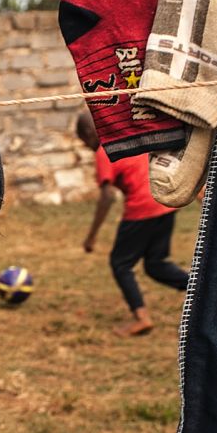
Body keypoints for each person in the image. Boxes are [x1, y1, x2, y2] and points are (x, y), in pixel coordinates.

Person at [77, 111, 189, 336]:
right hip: (164, 204)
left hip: (142, 209)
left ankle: (142, 318)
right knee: (156, 264)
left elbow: (107, 196)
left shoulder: (104, 151)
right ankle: (202, 288)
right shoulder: (127, 138)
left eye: (84, 140)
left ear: (91, 133)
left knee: (120, 263)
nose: (87, 146)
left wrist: (91, 236)